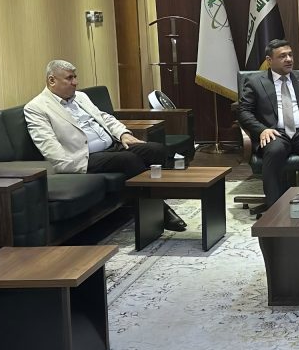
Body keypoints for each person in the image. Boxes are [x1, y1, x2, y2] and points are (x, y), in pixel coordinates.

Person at [24, 60, 187, 231]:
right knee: (128, 160)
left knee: (155, 149)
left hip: (112, 146)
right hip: (84, 157)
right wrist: (70, 166)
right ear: (52, 80)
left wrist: (123, 134)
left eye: (75, 77)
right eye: (69, 78)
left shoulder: (80, 97)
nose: (75, 82)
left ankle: (151, 198)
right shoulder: (37, 108)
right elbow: (47, 143)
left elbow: (105, 117)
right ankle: (160, 210)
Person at [237, 39, 299, 210]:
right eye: (282, 56)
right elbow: (244, 111)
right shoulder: (255, 81)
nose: (289, 59)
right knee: (274, 150)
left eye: (290, 55)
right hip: (275, 133)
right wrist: (262, 130)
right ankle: (275, 207)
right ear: (269, 61)